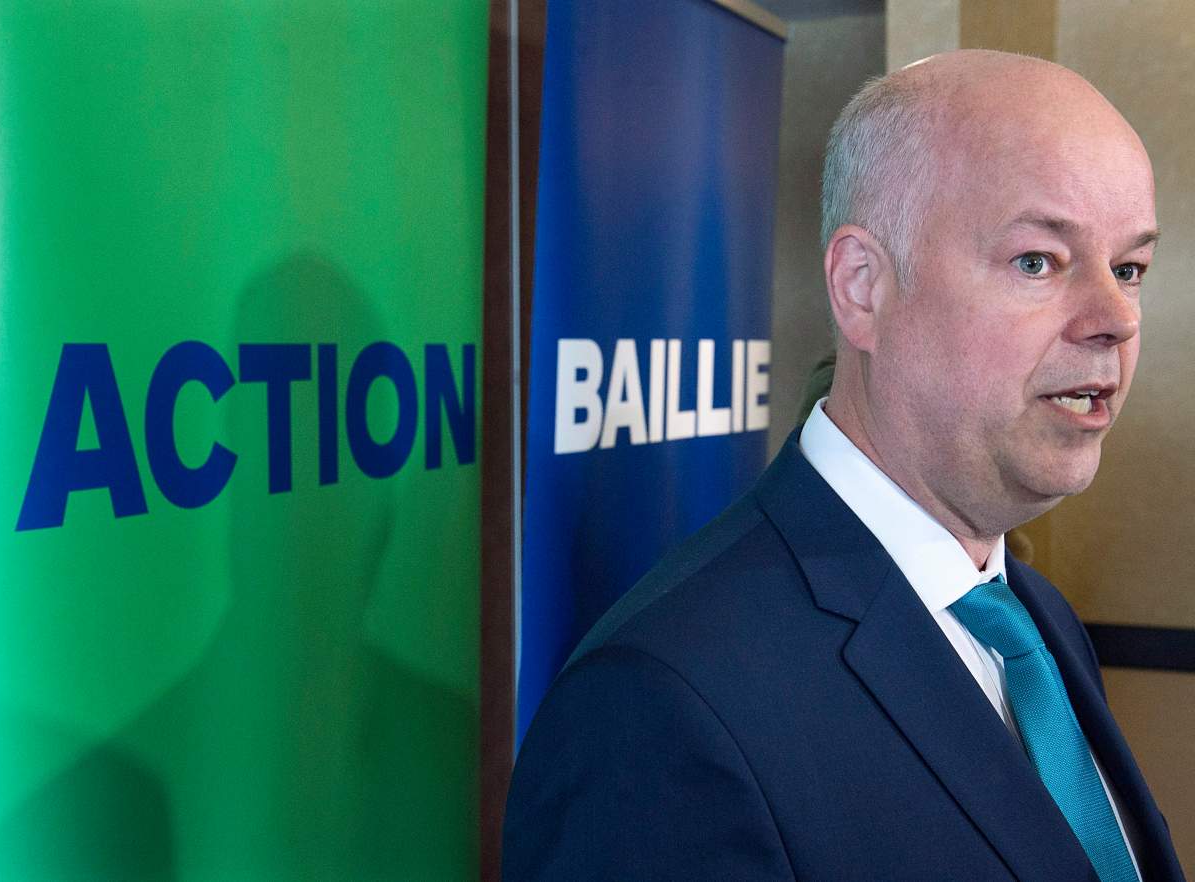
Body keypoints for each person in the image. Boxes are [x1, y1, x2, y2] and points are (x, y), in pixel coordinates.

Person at [502, 50, 1185, 881]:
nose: (1116, 318)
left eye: (1129, 269)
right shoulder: (658, 707)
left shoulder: (1034, 622)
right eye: (1037, 261)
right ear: (862, 286)